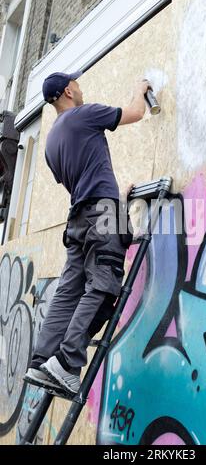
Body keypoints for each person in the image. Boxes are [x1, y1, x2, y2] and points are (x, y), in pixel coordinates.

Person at [24, 71, 150, 395]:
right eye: (76, 83)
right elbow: (135, 112)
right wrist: (141, 87)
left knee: (68, 291)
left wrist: (117, 198)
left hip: (79, 218)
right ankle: (67, 363)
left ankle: (42, 362)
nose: (80, 87)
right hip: (100, 212)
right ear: (68, 91)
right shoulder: (85, 114)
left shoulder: (51, 143)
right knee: (105, 286)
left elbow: (83, 182)